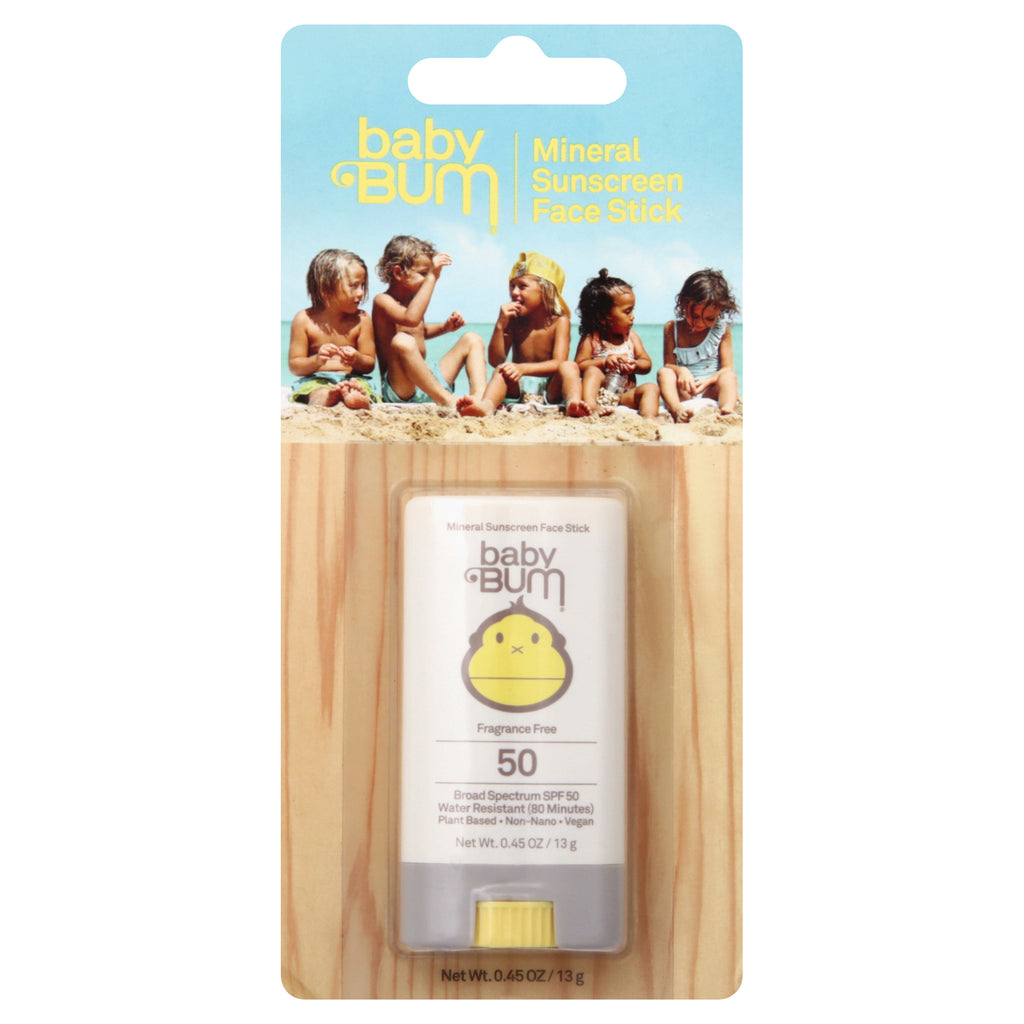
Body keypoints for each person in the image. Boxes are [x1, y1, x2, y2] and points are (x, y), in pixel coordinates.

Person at [371, 235, 485, 408]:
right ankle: (446, 399)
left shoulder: (413, 300)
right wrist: (432, 277)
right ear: (398, 273)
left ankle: (479, 399)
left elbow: (419, 330)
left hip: (426, 383)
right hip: (401, 388)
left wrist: (445, 327)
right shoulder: (382, 301)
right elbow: (410, 319)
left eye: (428, 273)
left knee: (472, 339)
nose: (427, 278)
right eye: (423, 273)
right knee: (402, 340)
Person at [457, 251, 573, 417]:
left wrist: (522, 368)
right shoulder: (514, 320)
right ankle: (487, 405)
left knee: (568, 367)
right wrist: (500, 325)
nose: (514, 292)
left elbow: (559, 362)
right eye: (512, 286)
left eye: (522, 286)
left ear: (545, 290)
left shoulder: (560, 321)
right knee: (501, 370)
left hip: (550, 391)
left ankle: (572, 403)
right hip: (517, 388)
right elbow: (495, 360)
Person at [564, 269, 660, 419]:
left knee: (651, 388)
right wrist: (604, 363)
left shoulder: (631, 338)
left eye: (632, 310)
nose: (633, 317)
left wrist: (635, 365)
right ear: (603, 318)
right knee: (592, 371)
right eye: (627, 312)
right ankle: (591, 406)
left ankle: (649, 418)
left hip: (623, 396)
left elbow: (646, 363)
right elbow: (579, 366)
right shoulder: (592, 339)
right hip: (597, 393)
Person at [288, 249, 378, 408]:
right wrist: (316, 361)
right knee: (317, 392)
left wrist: (357, 359)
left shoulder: (362, 319)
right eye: (354, 285)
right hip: (316, 380)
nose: (361, 292)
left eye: (363, 285)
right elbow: (295, 366)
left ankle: (357, 399)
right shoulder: (304, 320)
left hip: (353, 379)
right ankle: (326, 398)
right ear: (326, 289)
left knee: (359, 387)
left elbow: (369, 364)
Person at [658, 268, 740, 421]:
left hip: (710, 390)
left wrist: (709, 381)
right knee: (664, 373)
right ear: (684, 304)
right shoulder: (672, 328)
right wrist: (681, 370)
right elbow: (669, 364)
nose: (700, 323)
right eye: (695, 316)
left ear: (721, 310)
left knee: (729, 377)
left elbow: (727, 368)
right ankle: (677, 410)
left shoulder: (722, 330)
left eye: (709, 319)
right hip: (684, 392)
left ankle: (726, 412)